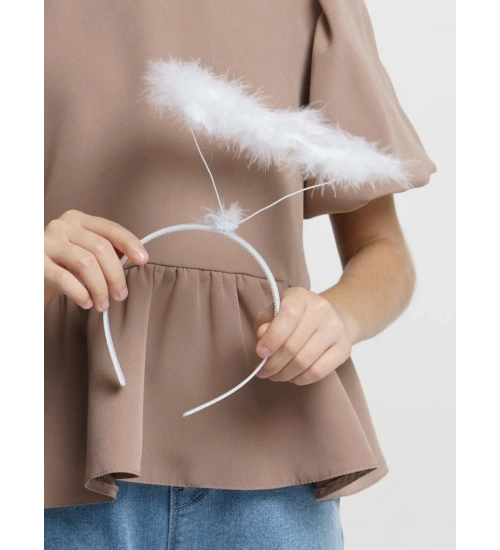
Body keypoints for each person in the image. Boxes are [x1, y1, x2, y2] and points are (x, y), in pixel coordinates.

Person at [42, 0, 436, 548]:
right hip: (57, 437)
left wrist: (338, 317)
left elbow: (383, 249)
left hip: (272, 450)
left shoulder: (318, 8)